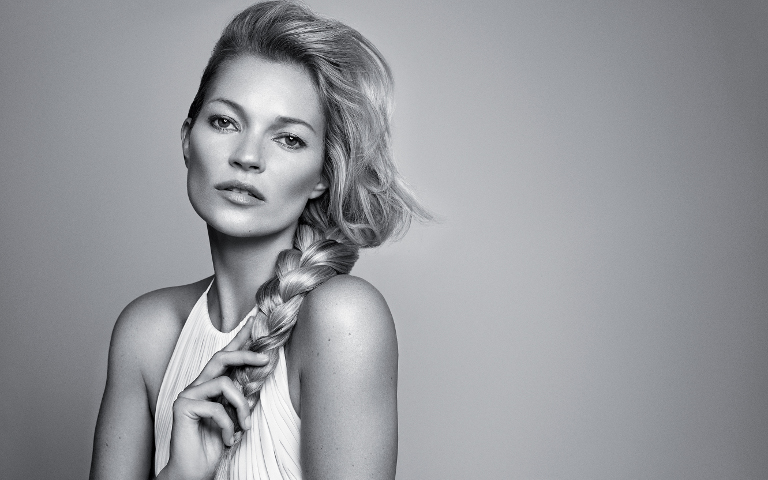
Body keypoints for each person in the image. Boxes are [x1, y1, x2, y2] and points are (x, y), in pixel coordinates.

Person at [89, 1, 430, 479]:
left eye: (288, 139)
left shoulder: (341, 318)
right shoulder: (147, 333)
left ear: (322, 175)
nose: (247, 156)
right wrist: (182, 473)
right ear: (187, 138)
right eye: (225, 122)